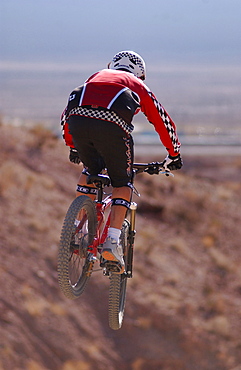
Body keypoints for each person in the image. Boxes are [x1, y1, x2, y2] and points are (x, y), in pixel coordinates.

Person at [61, 50, 183, 273]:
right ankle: (112, 242)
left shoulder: (96, 76)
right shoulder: (136, 84)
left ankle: (81, 229)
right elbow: (161, 119)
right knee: (122, 183)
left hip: (79, 123)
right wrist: (174, 154)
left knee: (90, 170)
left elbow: (68, 113)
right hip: (113, 128)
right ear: (139, 73)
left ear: (113, 65)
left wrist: (72, 146)